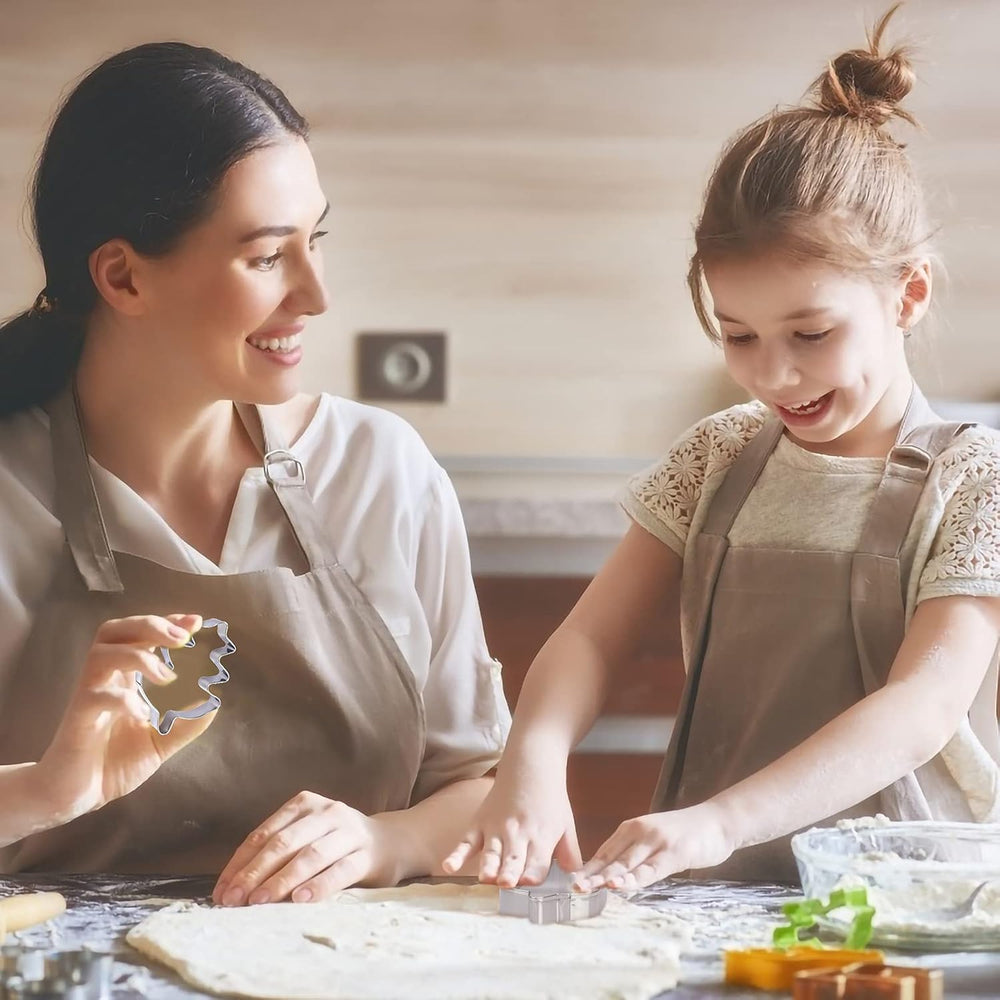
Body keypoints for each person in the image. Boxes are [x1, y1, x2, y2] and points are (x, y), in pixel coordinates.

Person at [443, 4, 1000, 890]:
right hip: (713, 884)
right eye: (738, 336)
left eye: (811, 334)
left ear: (908, 294)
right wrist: (533, 761)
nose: (773, 374)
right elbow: (590, 639)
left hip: (906, 899)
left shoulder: (975, 481)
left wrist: (722, 820)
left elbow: (921, 710)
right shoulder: (718, 454)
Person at [0, 41, 511, 906]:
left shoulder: (382, 471)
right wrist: (49, 789)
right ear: (123, 276)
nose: (316, 294)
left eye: (316, 241)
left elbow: (482, 787)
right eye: (269, 256)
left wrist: (384, 841)